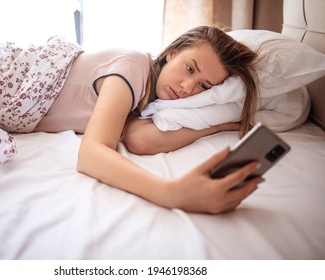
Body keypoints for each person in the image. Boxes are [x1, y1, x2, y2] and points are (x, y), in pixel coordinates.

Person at [33, 25, 264, 214]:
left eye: (203, 86)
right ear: (172, 53)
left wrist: (218, 125)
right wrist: (172, 193)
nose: (187, 88)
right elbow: (90, 155)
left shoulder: (149, 98)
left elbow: (140, 140)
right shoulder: (133, 66)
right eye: (189, 68)